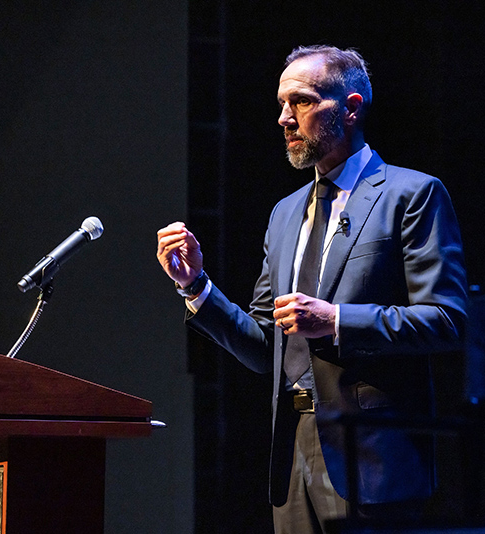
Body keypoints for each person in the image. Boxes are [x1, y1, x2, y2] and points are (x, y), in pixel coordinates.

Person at [157, 45, 468, 533]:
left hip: (371, 455)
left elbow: (447, 321)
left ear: (350, 107)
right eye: (282, 104)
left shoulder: (411, 195)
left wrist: (337, 321)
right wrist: (196, 285)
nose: (284, 118)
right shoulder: (285, 214)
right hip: (293, 452)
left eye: (300, 102)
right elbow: (265, 347)